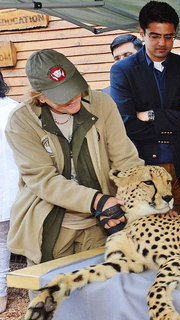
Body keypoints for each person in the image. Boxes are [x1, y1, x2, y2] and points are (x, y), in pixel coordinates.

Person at [5, 49, 144, 281]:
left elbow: (126, 161)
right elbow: (43, 180)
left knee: (100, 296)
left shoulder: (102, 104)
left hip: (101, 225)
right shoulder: (21, 121)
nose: (73, 97)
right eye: (61, 95)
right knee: (53, 302)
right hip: (51, 226)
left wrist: (140, 202)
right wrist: (97, 200)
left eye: (74, 87)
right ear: (39, 96)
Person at [110, 1, 180, 215]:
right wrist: (178, 117)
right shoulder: (122, 71)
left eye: (169, 37)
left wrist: (151, 115)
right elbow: (126, 124)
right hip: (144, 172)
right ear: (141, 33)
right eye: (155, 36)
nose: (162, 43)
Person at [0, 72, 18, 313]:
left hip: (9, 187)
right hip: (11, 188)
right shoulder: (13, 109)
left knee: (1, 242)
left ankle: (1, 293)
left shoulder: (12, 110)